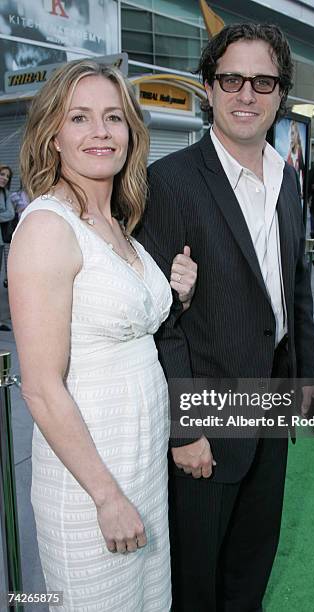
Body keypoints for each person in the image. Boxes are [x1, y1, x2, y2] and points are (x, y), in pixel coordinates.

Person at [137, 23, 314, 612]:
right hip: (208, 412)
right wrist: (184, 428)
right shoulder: (169, 183)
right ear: (208, 88)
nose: (247, 93)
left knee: (252, 561)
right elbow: (162, 323)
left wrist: (306, 382)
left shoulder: (287, 180)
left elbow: (295, 290)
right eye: (231, 79)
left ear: (280, 93)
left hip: (272, 397)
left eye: (262, 81)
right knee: (198, 578)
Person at [9, 59, 197, 611]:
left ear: (130, 134)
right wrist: (106, 496)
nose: (100, 132)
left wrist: (176, 294)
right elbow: (42, 387)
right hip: (91, 482)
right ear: (53, 137)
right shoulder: (47, 227)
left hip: (140, 466)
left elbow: (124, 324)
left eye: (113, 118)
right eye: (80, 118)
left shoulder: (118, 224)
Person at [0, 164, 15, 329]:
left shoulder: (6, 194)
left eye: (7, 176)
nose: (4, 178)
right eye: (2, 174)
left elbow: (10, 214)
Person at [286, 119, 304, 192]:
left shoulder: (299, 151)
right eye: (290, 134)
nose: (291, 137)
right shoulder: (290, 153)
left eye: (293, 133)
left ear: (297, 134)